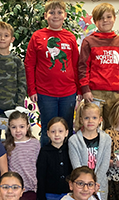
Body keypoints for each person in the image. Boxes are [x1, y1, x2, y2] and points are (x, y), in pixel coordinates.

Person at [27, 0, 83, 143]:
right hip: (45, 93)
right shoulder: (37, 36)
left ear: (64, 15)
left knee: (67, 129)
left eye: (59, 12)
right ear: (45, 16)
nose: (55, 16)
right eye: (52, 12)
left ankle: (67, 164)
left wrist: (80, 90)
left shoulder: (70, 37)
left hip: (68, 93)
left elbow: (76, 65)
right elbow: (29, 64)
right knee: (48, 128)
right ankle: (46, 164)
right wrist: (32, 89)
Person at [78, 3, 119, 105]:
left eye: (109, 17)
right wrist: (85, 89)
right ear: (95, 22)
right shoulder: (88, 41)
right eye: (101, 18)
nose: (105, 20)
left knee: (113, 121)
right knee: (93, 121)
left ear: (114, 18)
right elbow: (83, 67)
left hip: (115, 92)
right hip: (94, 92)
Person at [3, 111, 39, 200]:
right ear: (9, 128)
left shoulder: (35, 143)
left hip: (31, 189)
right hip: (14, 189)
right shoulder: (7, 145)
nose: (18, 130)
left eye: (21, 127)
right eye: (14, 127)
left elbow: (39, 165)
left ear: (27, 126)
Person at [38, 117, 72, 200]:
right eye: (53, 131)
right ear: (48, 133)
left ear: (66, 132)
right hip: (50, 197)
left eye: (60, 131)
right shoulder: (44, 152)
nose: (57, 134)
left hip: (68, 196)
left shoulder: (70, 149)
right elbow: (41, 177)